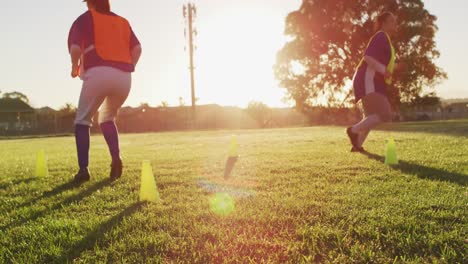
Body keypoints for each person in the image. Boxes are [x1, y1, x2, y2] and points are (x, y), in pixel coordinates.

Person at [68, 0, 142, 182]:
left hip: (97, 71)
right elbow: (138, 48)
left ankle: (83, 170)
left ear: (91, 3)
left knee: (83, 120)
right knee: (107, 117)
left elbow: (76, 48)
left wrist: (74, 67)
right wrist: (129, 66)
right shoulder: (122, 21)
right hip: (124, 77)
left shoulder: (84, 19)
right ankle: (116, 158)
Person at [347, 12, 402, 152]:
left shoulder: (386, 39)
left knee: (371, 117)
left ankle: (357, 145)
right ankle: (353, 131)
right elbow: (368, 57)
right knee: (384, 114)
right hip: (368, 79)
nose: (395, 24)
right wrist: (385, 70)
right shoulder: (381, 36)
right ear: (383, 23)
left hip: (372, 81)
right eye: (391, 21)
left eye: (395, 22)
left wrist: (389, 69)